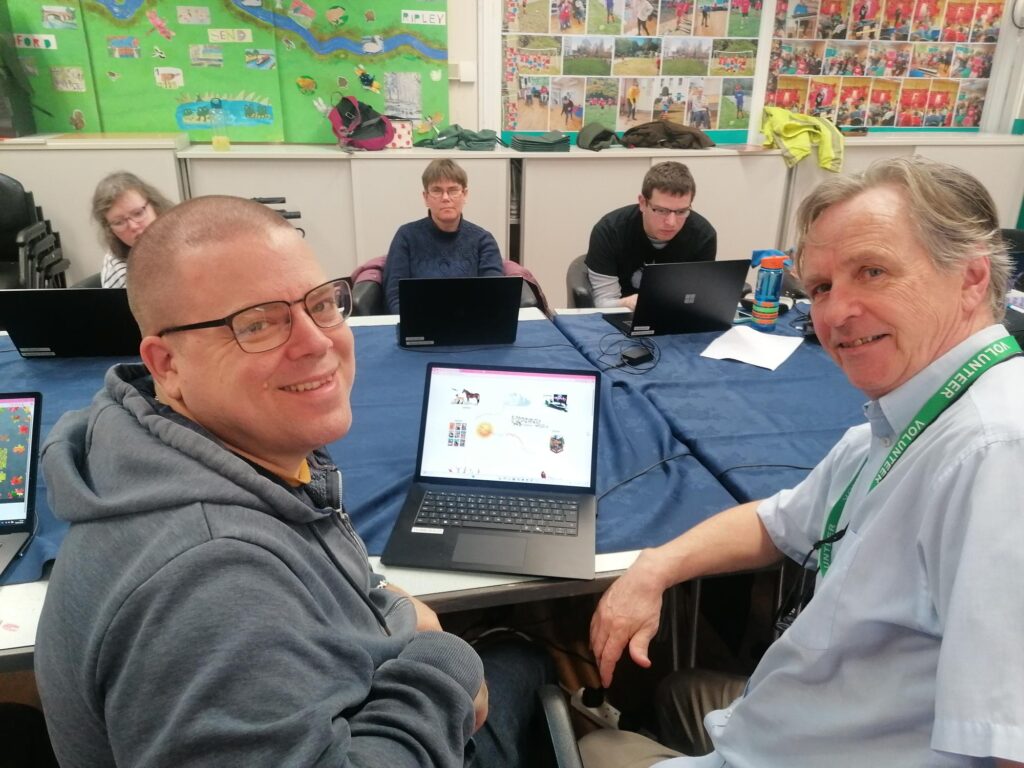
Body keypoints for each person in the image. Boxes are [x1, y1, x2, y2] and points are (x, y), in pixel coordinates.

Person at [34, 195, 553, 766]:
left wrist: (387, 608)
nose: (316, 341)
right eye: (256, 324)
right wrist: (444, 662)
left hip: (355, 688)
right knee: (521, 660)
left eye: (322, 304)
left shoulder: (187, 449)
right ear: (167, 364)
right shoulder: (211, 586)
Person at [582, 156, 1024, 767]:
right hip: (791, 716)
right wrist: (653, 568)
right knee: (672, 689)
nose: (837, 313)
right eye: (820, 287)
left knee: (591, 745)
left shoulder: (998, 454)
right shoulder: (913, 415)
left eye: (873, 271)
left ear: (972, 277)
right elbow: (778, 521)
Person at [585, 161, 716, 309]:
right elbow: (603, 304)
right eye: (661, 210)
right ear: (642, 202)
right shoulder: (609, 230)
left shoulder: (703, 235)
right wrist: (628, 303)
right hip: (619, 317)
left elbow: (696, 298)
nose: (671, 222)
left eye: (681, 212)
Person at [383, 159, 504, 313]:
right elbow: (395, 295)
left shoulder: (483, 240)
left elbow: (493, 295)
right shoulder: (406, 236)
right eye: (437, 190)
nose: (445, 198)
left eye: (453, 190)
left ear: (464, 195)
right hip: (418, 323)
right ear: (426, 197)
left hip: (471, 324)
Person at [91, 171, 174, 288]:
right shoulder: (119, 269)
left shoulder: (184, 233)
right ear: (110, 230)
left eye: (138, 213)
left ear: (155, 206)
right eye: (119, 222)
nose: (133, 226)